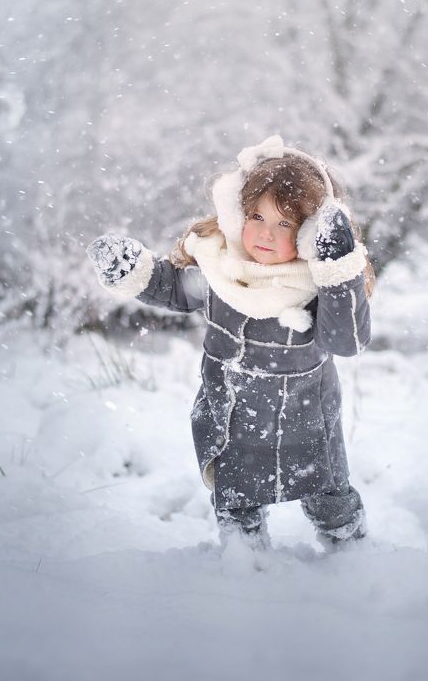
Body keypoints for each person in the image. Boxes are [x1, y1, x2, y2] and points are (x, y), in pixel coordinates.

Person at [87, 134, 372, 550]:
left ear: (310, 232)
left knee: (328, 497)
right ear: (237, 215)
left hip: (306, 418)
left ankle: (352, 556)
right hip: (234, 415)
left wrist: (340, 271)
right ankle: (243, 568)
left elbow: (346, 340)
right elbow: (174, 289)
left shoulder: (316, 286)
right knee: (237, 500)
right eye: (257, 216)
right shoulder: (221, 269)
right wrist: (137, 272)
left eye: (285, 223)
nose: (266, 234)